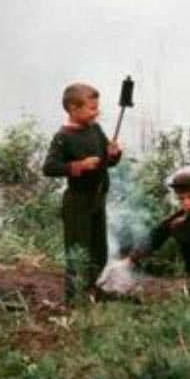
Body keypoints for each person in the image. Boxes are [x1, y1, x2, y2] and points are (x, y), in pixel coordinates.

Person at [43, 82, 122, 306]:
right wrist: (79, 166)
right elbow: (49, 167)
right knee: (78, 252)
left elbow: (107, 161)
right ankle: (73, 299)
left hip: (98, 199)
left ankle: (90, 289)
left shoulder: (95, 130)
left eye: (97, 107)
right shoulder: (63, 136)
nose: (97, 112)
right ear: (73, 109)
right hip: (78, 202)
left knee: (99, 252)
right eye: (92, 108)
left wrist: (114, 154)